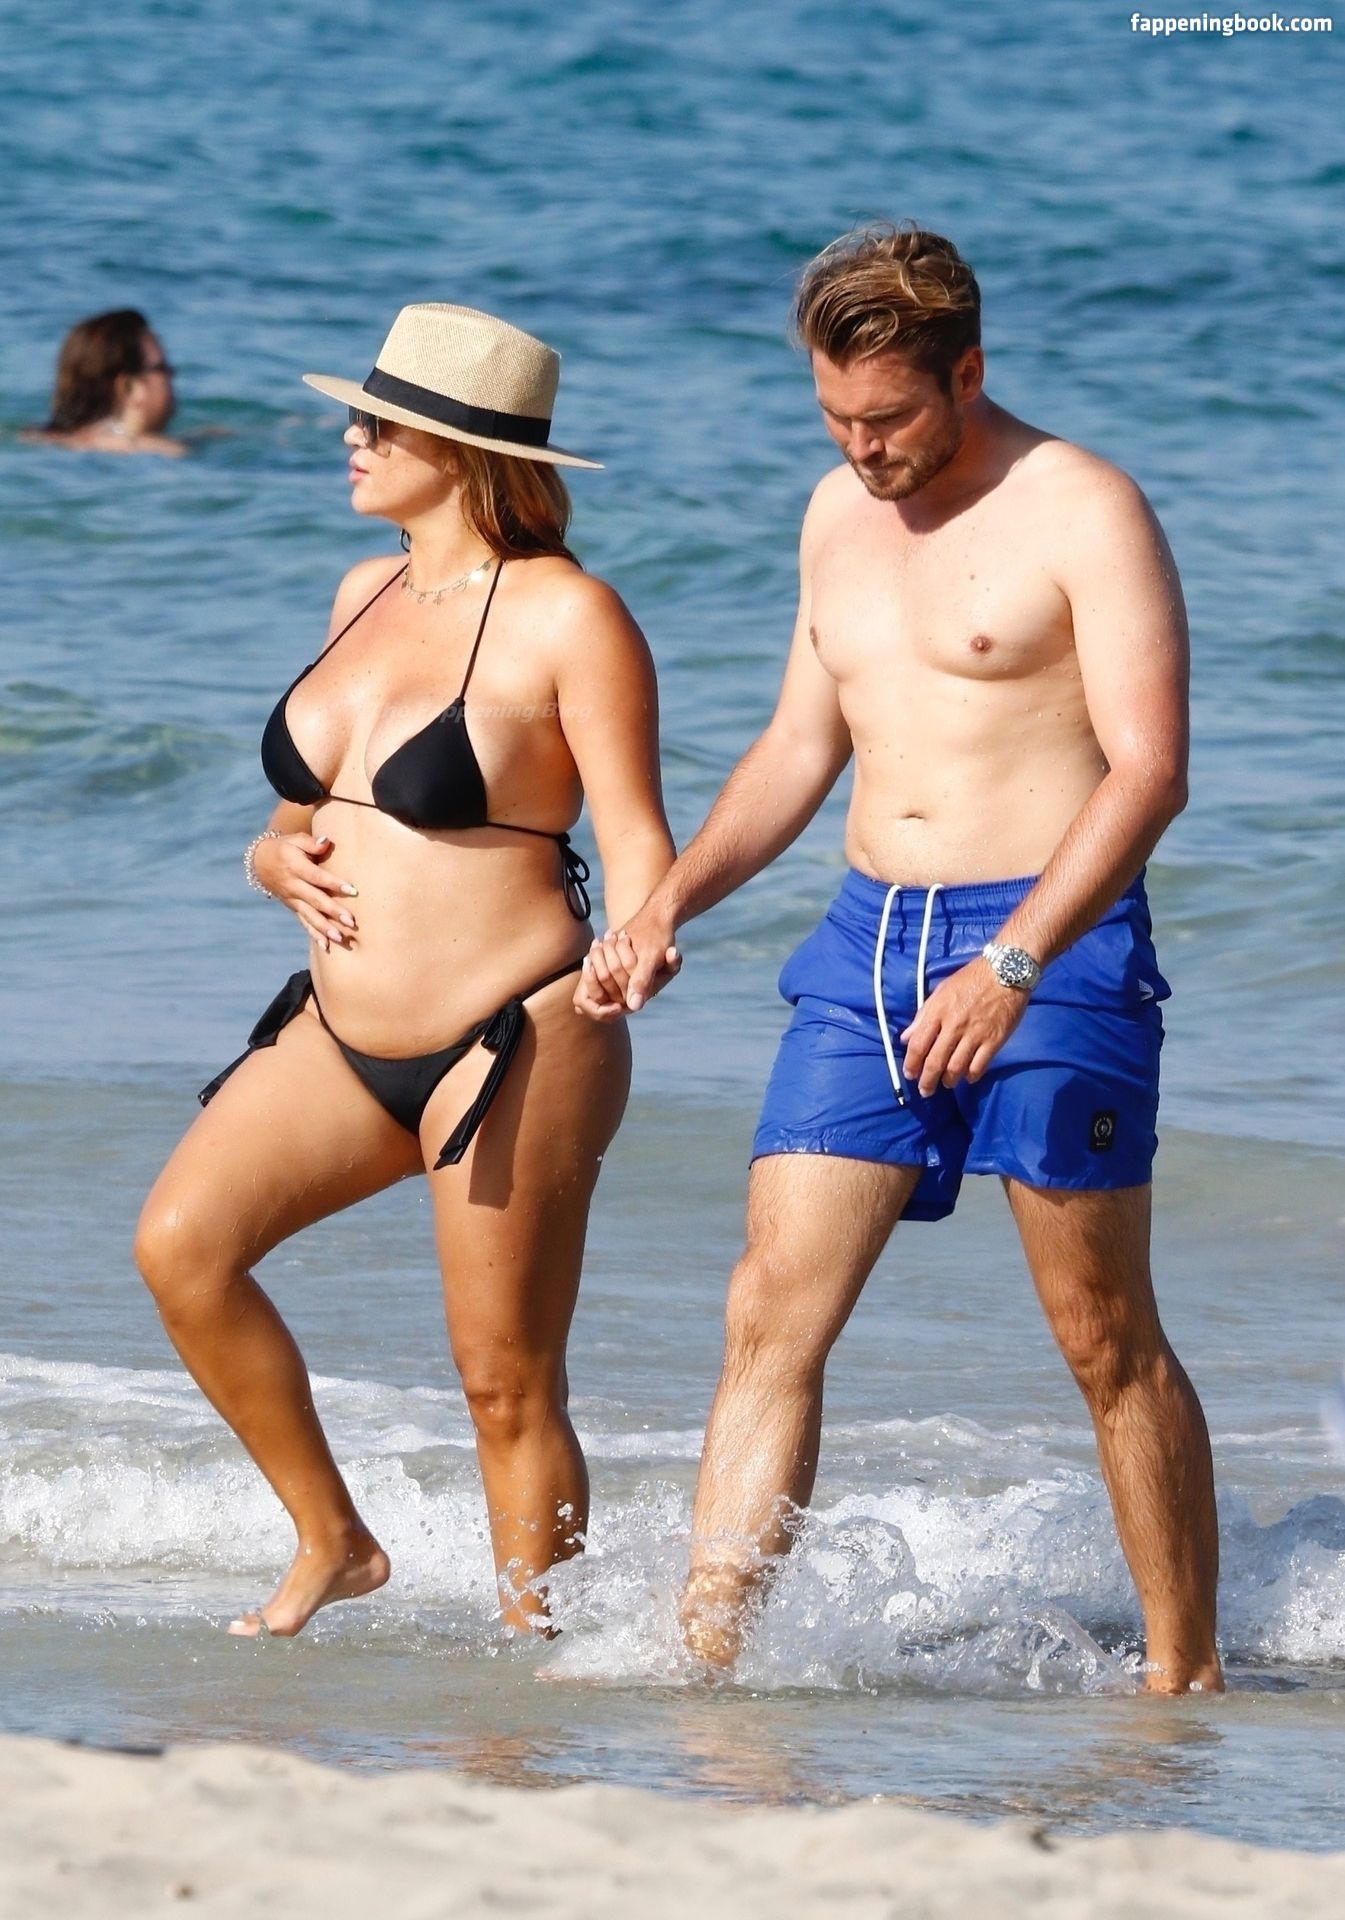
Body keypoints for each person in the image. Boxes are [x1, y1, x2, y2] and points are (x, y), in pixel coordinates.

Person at [578, 225, 1222, 1695]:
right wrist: (666, 904)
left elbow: (1149, 772)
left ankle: (1179, 1686)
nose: (861, 449)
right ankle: (710, 1670)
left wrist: (1011, 964)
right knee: (769, 1304)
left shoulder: (1084, 508)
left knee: (1099, 1331)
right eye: (835, 418)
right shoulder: (834, 513)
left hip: (1050, 943)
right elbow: (797, 748)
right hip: (867, 940)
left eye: (886, 418)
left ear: (967, 373)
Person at [135, 303, 674, 1638]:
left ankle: (533, 1665)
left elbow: (636, 836)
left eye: (380, 422)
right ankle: (335, 1541)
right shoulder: (361, 594)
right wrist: (268, 859)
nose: (352, 437)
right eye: (359, 414)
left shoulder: (570, 616)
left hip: (512, 1038)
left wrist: (642, 936)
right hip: (337, 1029)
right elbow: (301, 814)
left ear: (466, 450)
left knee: (504, 1383)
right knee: (183, 1249)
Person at [23, 308, 185, 455]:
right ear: (130, 387)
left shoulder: (44, 439)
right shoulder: (163, 451)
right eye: (162, 368)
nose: (172, 374)